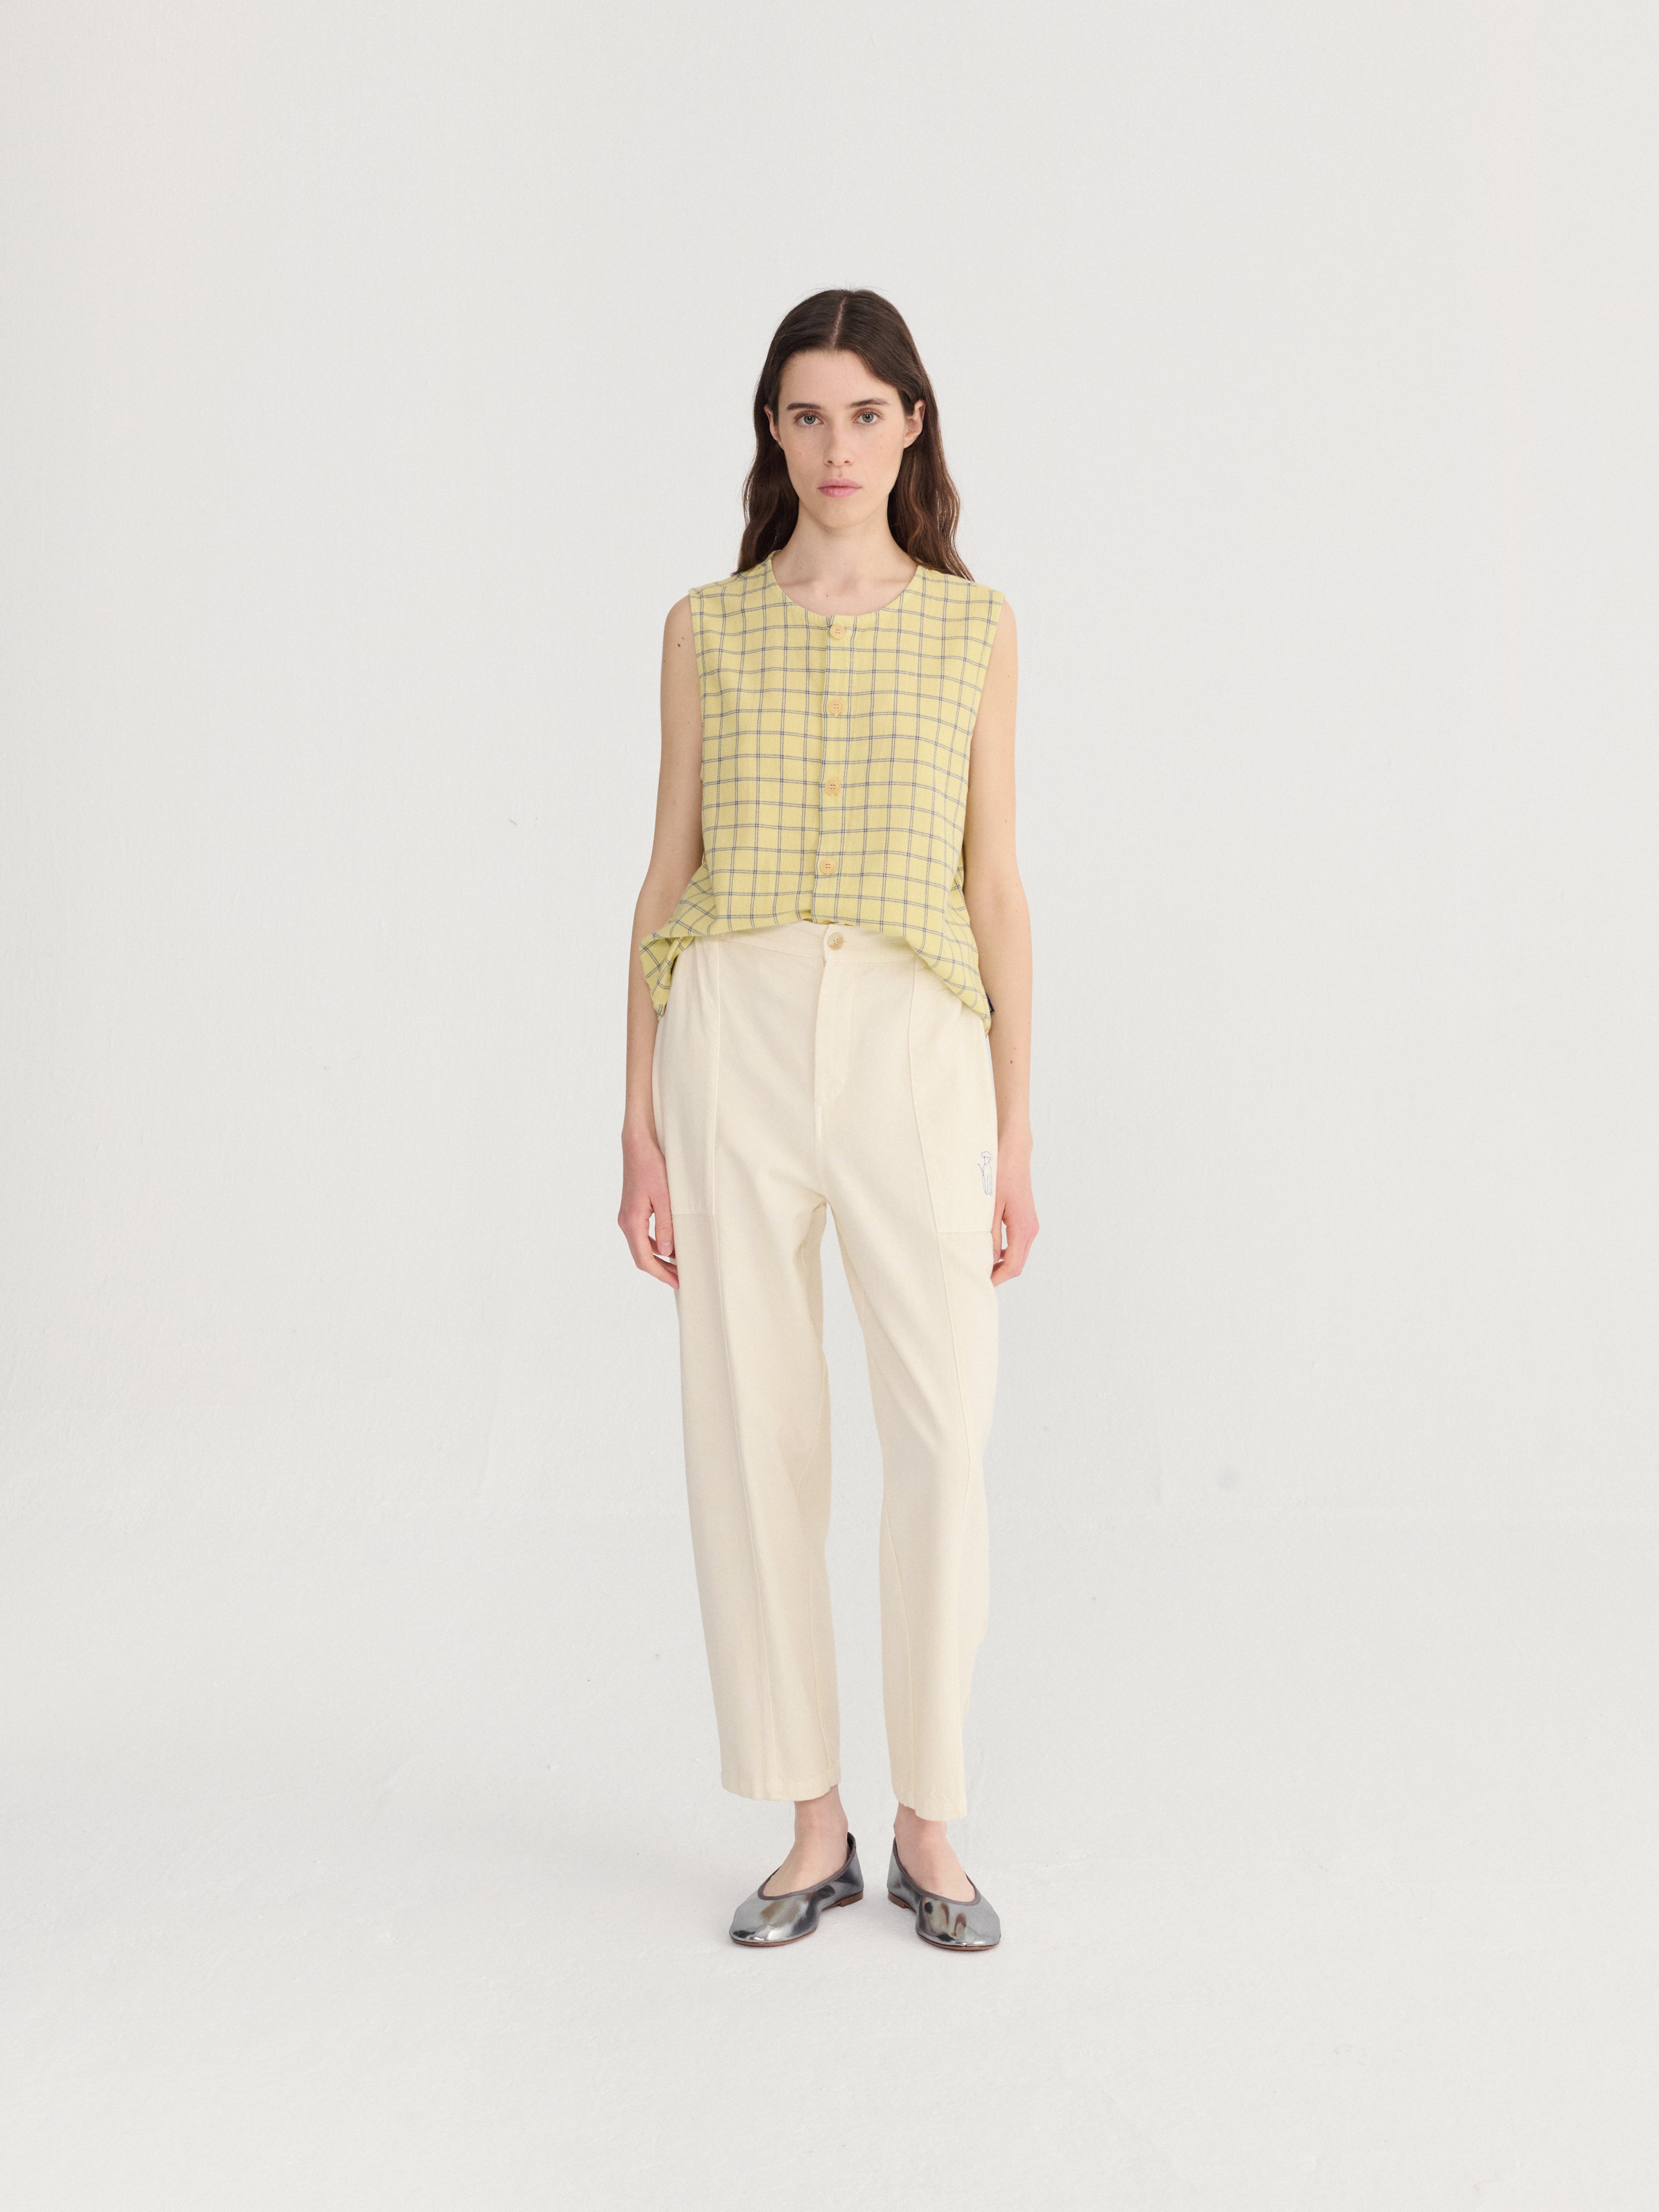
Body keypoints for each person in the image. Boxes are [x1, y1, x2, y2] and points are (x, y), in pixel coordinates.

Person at [618, 289, 1037, 1952]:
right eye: (806, 415)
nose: (836, 445)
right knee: (753, 1435)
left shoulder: (976, 627)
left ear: (912, 424)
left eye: (866, 413)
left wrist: (1016, 1131)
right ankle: (812, 1826)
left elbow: (995, 885)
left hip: (916, 1039)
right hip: (731, 1029)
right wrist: (636, 1121)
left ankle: (930, 1819)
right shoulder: (705, 627)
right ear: (773, 434)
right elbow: (665, 870)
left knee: (940, 1433)